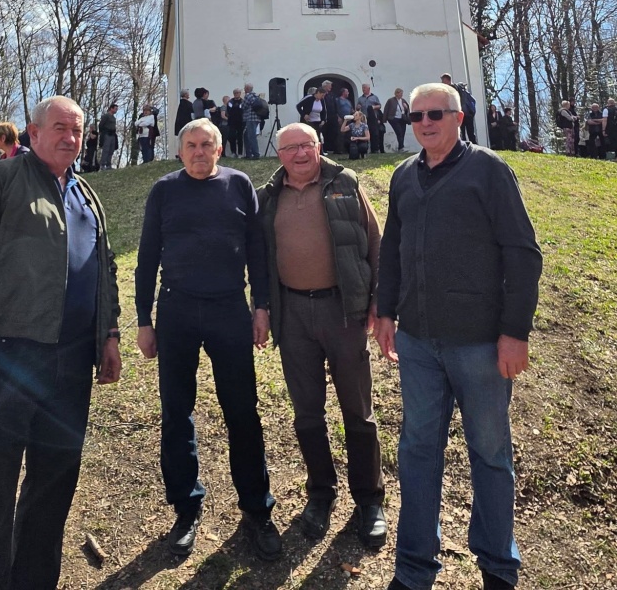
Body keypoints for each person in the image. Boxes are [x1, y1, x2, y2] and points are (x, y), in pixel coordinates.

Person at [0, 96, 121, 590]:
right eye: (59, 128)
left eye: (77, 130)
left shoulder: (86, 194)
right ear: (33, 134)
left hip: (71, 366)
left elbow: (103, 268)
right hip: (4, 360)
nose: (70, 138)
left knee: (53, 487)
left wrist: (109, 335)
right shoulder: (1, 180)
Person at [375, 82, 542, 590]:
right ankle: (414, 568)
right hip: (418, 343)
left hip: (480, 344)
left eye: (435, 114)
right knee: (417, 451)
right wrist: (385, 311)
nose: (424, 123)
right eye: (416, 116)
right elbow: (392, 249)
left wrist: (514, 332)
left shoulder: (488, 170)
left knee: (490, 454)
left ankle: (498, 566)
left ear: (459, 117)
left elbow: (523, 254)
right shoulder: (404, 175)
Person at [135, 118, 280, 560]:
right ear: (180, 151)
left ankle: (257, 509)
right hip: (176, 310)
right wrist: (143, 320)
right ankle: (186, 507)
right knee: (176, 411)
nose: (199, 152)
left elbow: (257, 251)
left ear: (220, 149)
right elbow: (146, 256)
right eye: (191, 145)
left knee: (242, 410)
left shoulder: (239, 185)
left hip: (228, 309)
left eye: (207, 145)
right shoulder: (164, 190)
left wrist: (261, 306)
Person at [257, 123, 386, 546]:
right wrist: (261, 309)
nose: (299, 154)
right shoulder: (268, 197)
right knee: (307, 411)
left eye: (306, 145)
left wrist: (378, 300)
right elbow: (258, 259)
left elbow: (375, 243)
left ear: (319, 146)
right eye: (290, 148)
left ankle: (369, 499)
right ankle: (321, 493)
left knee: (358, 409)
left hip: (342, 310)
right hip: (292, 313)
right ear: (279, 154)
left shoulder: (345, 183)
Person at [441, 74, 477, 144]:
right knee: (471, 133)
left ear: (447, 80)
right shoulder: (458, 87)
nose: (442, 83)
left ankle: (465, 149)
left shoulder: (451, 90)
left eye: (443, 81)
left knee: (462, 134)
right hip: (467, 113)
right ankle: (475, 148)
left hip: (460, 114)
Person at [242, 82, 262, 159]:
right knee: (247, 135)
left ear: (247, 88)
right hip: (256, 118)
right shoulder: (256, 96)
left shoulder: (248, 96)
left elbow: (243, 106)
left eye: (245, 88)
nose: (244, 89)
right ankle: (248, 154)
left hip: (250, 118)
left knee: (251, 136)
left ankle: (256, 154)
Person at [321, 81, 340, 154]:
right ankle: (325, 149)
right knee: (325, 133)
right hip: (325, 117)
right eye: (329, 86)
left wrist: (338, 115)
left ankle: (335, 149)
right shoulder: (321, 94)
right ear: (325, 86)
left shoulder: (332, 95)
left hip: (333, 116)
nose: (331, 87)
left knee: (335, 132)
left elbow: (335, 105)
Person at [226, 88, 245, 157]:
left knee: (240, 138)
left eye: (238, 93)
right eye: (235, 93)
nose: (236, 94)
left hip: (240, 122)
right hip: (232, 122)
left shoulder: (243, 101)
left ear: (240, 93)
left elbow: (243, 110)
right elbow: (229, 111)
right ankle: (233, 152)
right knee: (232, 137)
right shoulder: (230, 102)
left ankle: (240, 153)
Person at [99, 103, 118, 170]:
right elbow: (101, 125)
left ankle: (108, 165)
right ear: (111, 108)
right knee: (106, 150)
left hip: (113, 135)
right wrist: (102, 133)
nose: (116, 110)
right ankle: (102, 165)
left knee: (111, 150)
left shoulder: (114, 118)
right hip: (107, 134)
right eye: (115, 109)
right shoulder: (106, 116)